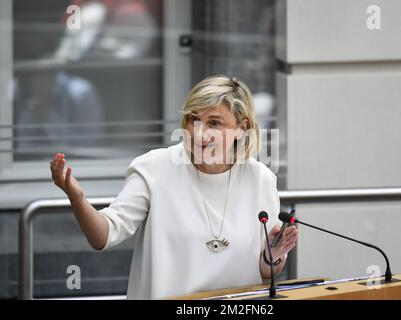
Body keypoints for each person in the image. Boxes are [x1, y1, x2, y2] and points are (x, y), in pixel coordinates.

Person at [50, 75, 298, 299]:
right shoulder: (155, 167)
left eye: (214, 123)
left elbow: (266, 272)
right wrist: (78, 198)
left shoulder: (260, 178)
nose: (200, 134)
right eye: (194, 119)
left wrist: (272, 256)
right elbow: (103, 236)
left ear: (240, 129)